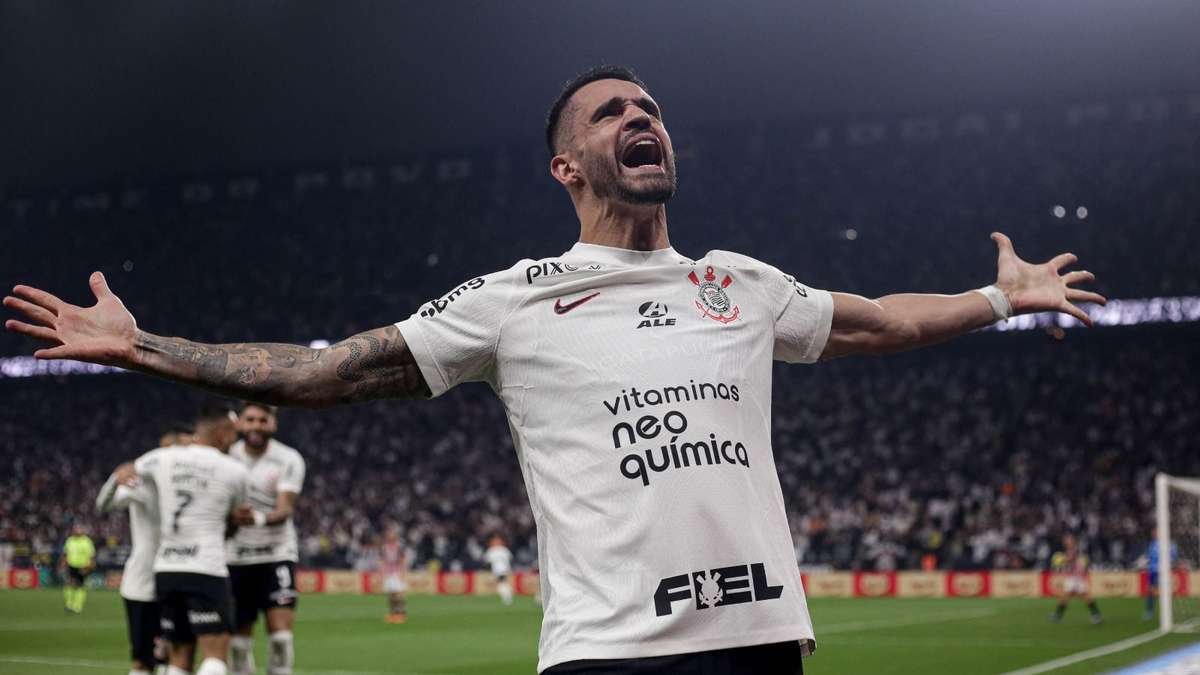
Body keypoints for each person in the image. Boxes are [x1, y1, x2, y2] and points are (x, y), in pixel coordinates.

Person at [4, 65, 1106, 674]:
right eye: (613, 111)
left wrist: (1001, 296)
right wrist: (140, 347)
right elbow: (322, 373)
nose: (644, 117)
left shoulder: (738, 281)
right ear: (566, 163)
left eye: (653, 107)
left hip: (762, 640)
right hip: (611, 656)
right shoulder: (512, 297)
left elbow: (880, 323)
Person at [133, 405, 249, 675]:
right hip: (205, 568)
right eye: (233, 434)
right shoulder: (235, 470)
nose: (235, 441)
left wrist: (124, 470)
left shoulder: (163, 458)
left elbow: (132, 469)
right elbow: (232, 527)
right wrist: (234, 521)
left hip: (167, 568)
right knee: (215, 656)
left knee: (179, 657)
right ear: (222, 434)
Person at [96, 427, 192, 675]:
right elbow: (103, 505)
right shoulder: (141, 483)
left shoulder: (193, 486)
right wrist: (115, 479)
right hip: (143, 583)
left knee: (178, 657)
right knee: (143, 661)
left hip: (179, 578)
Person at [225, 402, 306, 675]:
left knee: (281, 640)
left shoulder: (288, 458)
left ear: (274, 423)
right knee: (237, 645)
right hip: (236, 557)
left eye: (263, 420)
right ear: (240, 423)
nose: (256, 426)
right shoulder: (226, 457)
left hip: (276, 554)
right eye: (250, 419)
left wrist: (255, 518)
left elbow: (284, 509)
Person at [1049, 534, 1102, 624]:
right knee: (1066, 596)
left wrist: (1061, 559)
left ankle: (1096, 615)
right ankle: (1058, 615)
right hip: (1072, 576)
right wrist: (1061, 562)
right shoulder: (1069, 550)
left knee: (1085, 596)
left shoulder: (1075, 549)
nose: (1066, 541)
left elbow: (1072, 558)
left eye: (1068, 540)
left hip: (1076, 576)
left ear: (1073, 540)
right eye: (1065, 540)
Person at [1141, 527, 1178, 621]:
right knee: (1150, 591)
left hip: (1164, 571)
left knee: (1166, 592)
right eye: (1153, 532)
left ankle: (1169, 612)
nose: (1153, 534)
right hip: (1153, 571)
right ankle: (1149, 612)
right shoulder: (1152, 544)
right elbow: (1149, 557)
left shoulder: (1170, 544)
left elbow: (1173, 557)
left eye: (1155, 532)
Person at [60, 523, 96, 614]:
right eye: (76, 529)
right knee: (69, 584)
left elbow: (91, 556)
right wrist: (63, 563)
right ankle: (69, 604)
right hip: (71, 565)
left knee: (80, 586)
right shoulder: (69, 540)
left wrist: (88, 567)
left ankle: (77, 607)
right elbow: (65, 554)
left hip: (83, 566)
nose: (77, 531)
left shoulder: (87, 541)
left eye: (79, 529)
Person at [379, 528, 409, 623]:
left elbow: (403, 560)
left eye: (392, 535)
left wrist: (403, 573)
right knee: (391, 595)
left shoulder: (399, 547)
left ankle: (401, 614)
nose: (390, 537)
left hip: (397, 572)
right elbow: (382, 561)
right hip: (388, 573)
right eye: (388, 535)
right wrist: (382, 573)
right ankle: (392, 614)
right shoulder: (384, 547)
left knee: (399, 594)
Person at [484, 535, 515, 606]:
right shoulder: (504, 550)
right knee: (502, 584)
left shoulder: (492, 550)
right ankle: (508, 595)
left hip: (500, 570)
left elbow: (486, 562)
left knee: (501, 585)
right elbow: (511, 559)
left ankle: (507, 598)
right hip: (504, 570)